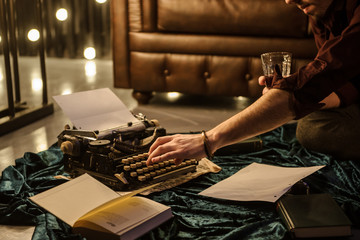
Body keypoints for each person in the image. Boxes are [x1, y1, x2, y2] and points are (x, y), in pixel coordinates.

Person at [146, 0, 360, 165]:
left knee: (311, 129)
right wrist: (284, 95)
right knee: (310, 127)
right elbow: (344, 79)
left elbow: (321, 75)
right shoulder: (322, 10)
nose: (288, 1)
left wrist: (209, 140)